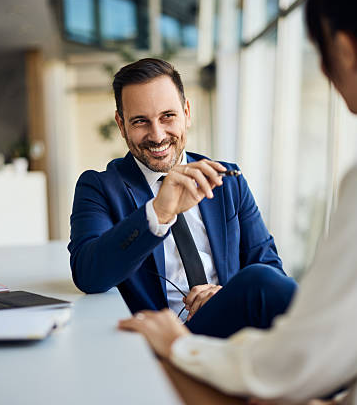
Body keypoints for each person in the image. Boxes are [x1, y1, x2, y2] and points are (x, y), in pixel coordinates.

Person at [119, 0, 357, 403]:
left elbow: (297, 355)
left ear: (346, 50)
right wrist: (160, 213)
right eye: (140, 120)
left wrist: (180, 345)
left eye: (319, 50)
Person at [69, 58, 297, 338]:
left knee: (262, 279)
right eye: (140, 121)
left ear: (187, 112)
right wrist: (158, 213)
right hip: (164, 341)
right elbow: (89, 275)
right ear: (121, 123)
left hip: (233, 331)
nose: (157, 135)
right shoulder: (99, 187)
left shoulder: (227, 179)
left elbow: (271, 269)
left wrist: (225, 295)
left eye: (168, 116)